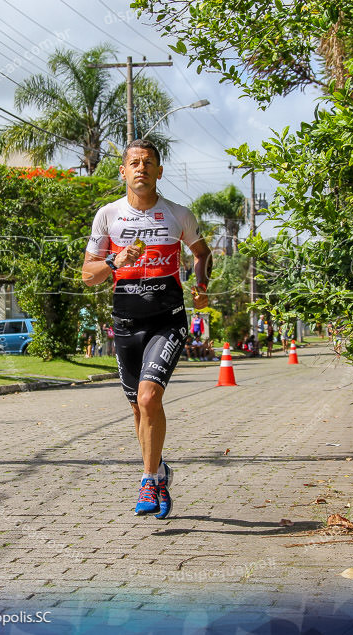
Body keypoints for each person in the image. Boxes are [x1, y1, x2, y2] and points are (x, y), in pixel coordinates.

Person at [82, 139, 211, 520]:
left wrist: (200, 287)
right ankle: (159, 470)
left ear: (159, 171)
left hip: (166, 319)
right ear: (122, 172)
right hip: (125, 323)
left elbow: (201, 253)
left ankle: (149, 478)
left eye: (148, 162)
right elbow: (88, 276)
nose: (141, 168)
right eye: (134, 163)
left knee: (149, 398)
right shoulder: (108, 216)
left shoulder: (177, 215)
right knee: (138, 407)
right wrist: (113, 259)